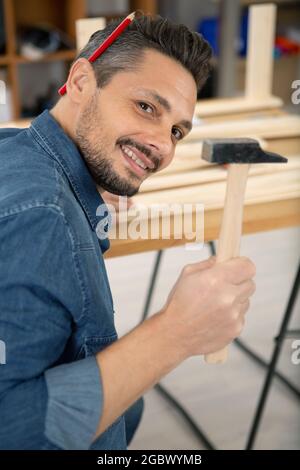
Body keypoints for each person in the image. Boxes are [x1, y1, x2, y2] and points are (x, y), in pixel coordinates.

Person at [0, 14, 256, 450]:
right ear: (81, 81)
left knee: (130, 406)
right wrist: (177, 332)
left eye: (176, 130)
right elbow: (11, 429)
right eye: (146, 107)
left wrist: (89, 200)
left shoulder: (14, 146)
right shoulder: (45, 218)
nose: (162, 144)